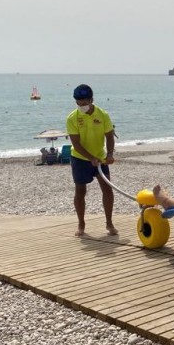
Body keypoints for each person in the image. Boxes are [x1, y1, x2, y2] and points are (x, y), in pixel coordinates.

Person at [66, 84, 117, 238]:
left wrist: (109, 154)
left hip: (100, 157)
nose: (82, 106)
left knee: (107, 189)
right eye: (78, 104)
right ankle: (81, 223)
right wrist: (90, 158)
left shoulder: (103, 115)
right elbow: (76, 143)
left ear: (91, 100)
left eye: (84, 103)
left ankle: (109, 223)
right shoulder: (72, 118)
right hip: (80, 158)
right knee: (80, 191)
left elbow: (109, 135)